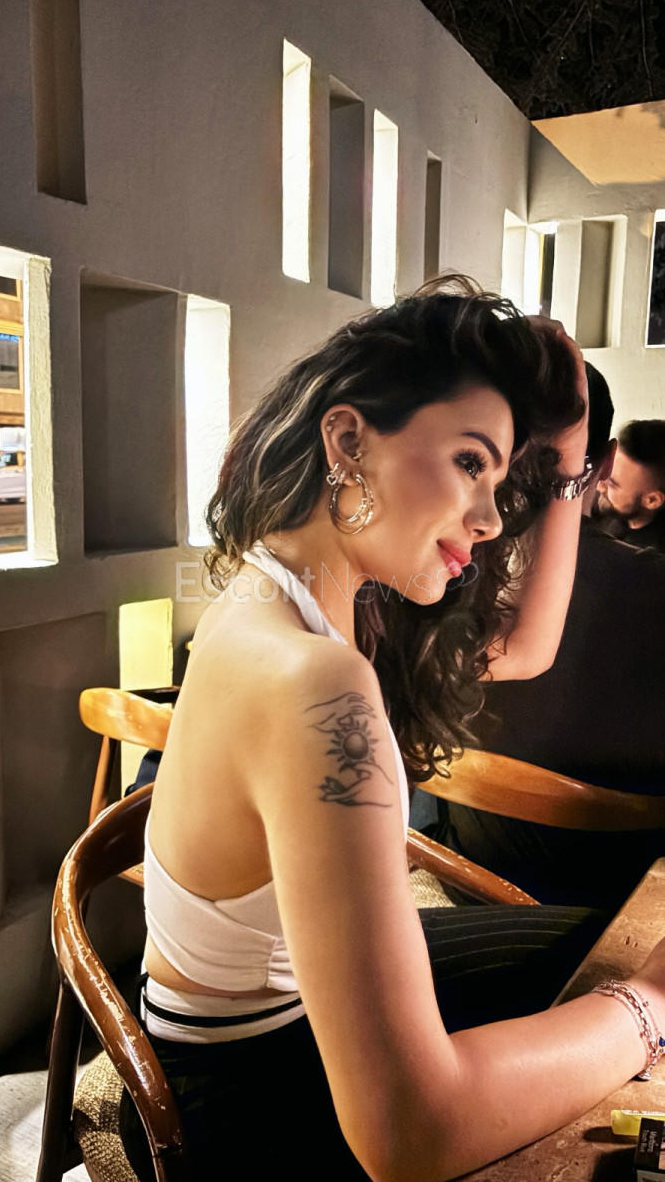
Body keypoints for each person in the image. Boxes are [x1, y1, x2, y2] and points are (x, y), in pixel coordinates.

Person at [120, 279, 665, 1181]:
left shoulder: (293, 594)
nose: (490, 518)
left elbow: (525, 647)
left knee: (599, 946)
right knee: (620, 1017)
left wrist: (568, 461)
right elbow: (411, 1136)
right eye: (467, 461)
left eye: (501, 480)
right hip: (243, 1100)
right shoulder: (315, 682)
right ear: (347, 440)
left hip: (227, 1025)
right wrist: (647, 1007)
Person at [419, 365, 665, 911]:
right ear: (606, 464)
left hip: (460, 868)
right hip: (619, 899)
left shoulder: (425, 574)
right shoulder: (651, 587)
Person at [594, 418, 665, 551]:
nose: (599, 486)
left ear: (652, 500)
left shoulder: (652, 560)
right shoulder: (610, 510)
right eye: (604, 471)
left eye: (612, 483)